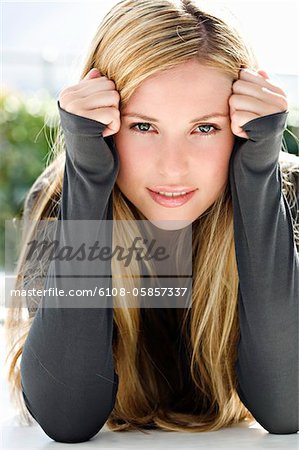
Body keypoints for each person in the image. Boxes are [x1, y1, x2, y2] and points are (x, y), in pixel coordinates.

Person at [4, 0, 299, 443]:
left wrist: (258, 179)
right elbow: (66, 416)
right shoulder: (61, 200)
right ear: (102, 124)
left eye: (205, 128)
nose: (173, 168)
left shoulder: (288, 193)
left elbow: (287, 406)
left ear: (242, 128)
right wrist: (87, 183)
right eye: (143, 126)